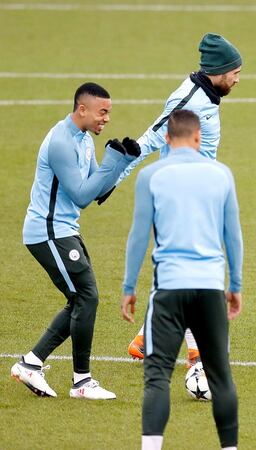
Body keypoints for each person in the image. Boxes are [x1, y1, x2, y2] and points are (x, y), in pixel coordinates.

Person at [120, 110, 243, 449]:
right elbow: (233, 235)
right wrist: (236, 286)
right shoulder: (221, 174)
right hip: (209, 289)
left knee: (156, 377)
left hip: (168, 290)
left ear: (167, 140)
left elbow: (137, 236)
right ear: (198, 138)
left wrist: (129, 287)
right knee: (220, 376)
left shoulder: (151, 176)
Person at [119, 32, 243, 366]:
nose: (237, 78)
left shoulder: (207, 95)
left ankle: (146, 339)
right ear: (218, 71)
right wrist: (112, 178)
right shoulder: (188, 98)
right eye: (234, 72)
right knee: (192, 271)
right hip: (178, 199)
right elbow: (150, 137)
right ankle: (195, 347)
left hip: (200, 194)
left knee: (176, 272)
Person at [11, 82, 140, 399]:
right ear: (82, 109)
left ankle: (31, 363)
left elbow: (97, 190)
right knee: (87, 297)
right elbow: (82, 196)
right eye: (103, 112)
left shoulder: (82, 139)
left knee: (81, 298)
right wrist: (112, 162)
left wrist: (122, 162)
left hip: (64, 230)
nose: (107, 119)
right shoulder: (60, 142)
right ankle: (81, 382)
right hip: (48, 231)